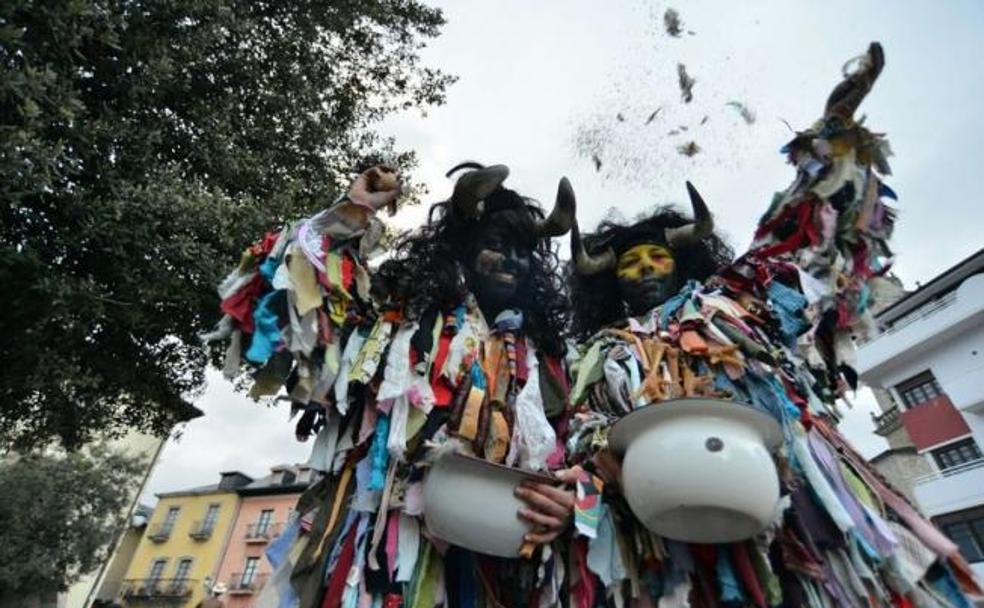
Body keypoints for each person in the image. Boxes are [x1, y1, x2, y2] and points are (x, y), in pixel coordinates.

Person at [564, 43, 982, 606]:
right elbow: (586, 424)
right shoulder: (601, 351)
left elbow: (798, 239)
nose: (642, 270)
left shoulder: (733, 297)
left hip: (789, 494)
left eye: (656, 257)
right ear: (610, 281)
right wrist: (603, 460)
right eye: (630, 264)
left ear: (681, 261)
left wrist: (830, 139)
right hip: (664, 524)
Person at [211, 162, 582, 606]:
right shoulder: (399, 316)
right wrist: (354, 211)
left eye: (524, 251)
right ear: (463, 248)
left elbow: (576, 450)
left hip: (498, 562)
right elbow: (300, 310)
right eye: (498, 245)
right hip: (382, 553)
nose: (513, 262)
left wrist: (569, 501)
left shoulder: (549, 356)